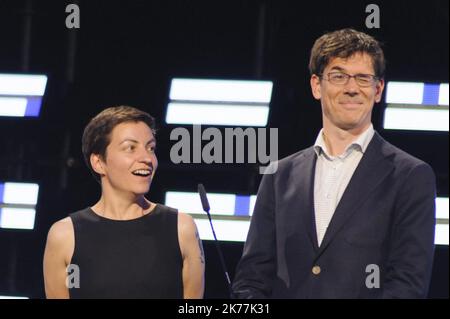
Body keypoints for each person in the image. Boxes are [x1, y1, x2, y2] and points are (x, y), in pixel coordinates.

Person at [232, 28, 436, 298]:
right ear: (317, 86)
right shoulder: (279, 175)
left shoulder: (411, 176)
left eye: (363, 78)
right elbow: (251, 280)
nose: (351, 88)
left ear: (378, 89)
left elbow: (407, 285)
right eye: (339, 76)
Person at [43, 106, 205, 298]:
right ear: (99, 162)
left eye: (150, 148)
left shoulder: (181, 228)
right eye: (131, 148)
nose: (146, 158)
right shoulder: (65, 235)